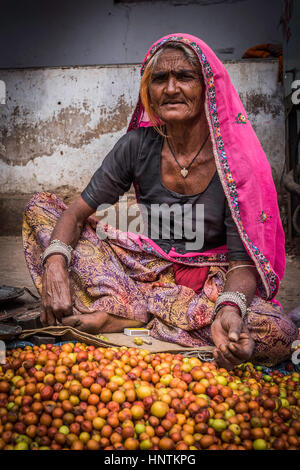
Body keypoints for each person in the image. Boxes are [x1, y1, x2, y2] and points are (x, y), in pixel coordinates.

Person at [23, 33, 298, 369]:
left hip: (205, 282)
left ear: (207, 86)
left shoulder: (237, 162)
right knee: (42, 209)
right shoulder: (137, 145)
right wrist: (55, 265)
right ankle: (145, 316)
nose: (170, 89)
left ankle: (126, 317)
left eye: (184, 76)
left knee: (276, 333)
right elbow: (76, 214)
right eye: (159, 79)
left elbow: (243, 263)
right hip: (142, 268)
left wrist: (230, 308)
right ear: (148, 92)